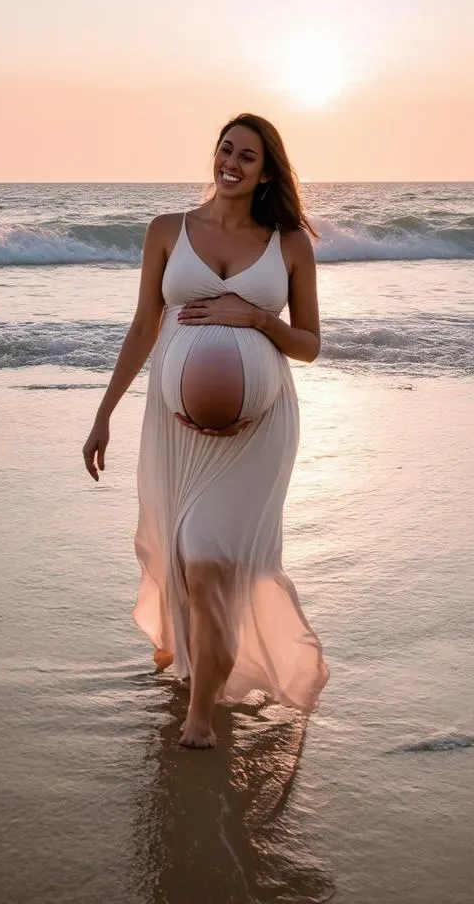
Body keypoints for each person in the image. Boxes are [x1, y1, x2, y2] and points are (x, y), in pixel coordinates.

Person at [82, 113, 328, 747]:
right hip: (175, 432)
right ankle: (196, 660)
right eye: (226, 150)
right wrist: (103, 413)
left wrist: (256, 319)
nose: (232, 163)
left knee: (212, 562)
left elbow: (309, 345)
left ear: (267, 170)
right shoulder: (167, 232)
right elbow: (143, 328)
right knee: (189, 560)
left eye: (248, 156)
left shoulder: (290, 244)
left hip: (258, 435)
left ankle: (200, 717)